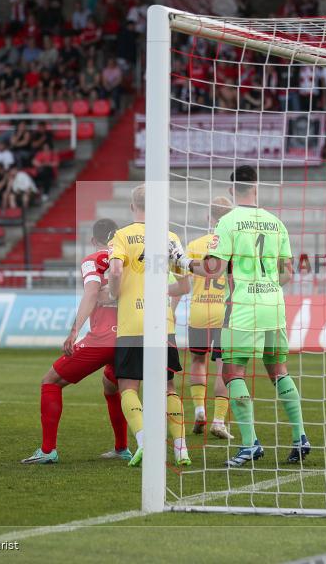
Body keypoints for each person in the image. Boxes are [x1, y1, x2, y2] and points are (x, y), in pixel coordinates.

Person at [187, 165, 309, 466]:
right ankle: (300, 437)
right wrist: (266, 285)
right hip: (275, 306)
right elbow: (288, 273)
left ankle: (250, 444)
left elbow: (213, 268)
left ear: (232, 190)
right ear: (256, 186)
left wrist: (185, 265)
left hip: (242, 307)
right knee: (278, 369)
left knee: (231, 372)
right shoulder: (275, 222)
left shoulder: (227, 222)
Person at [22, 219, 130, 464]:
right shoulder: (129, 256)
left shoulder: (93, 259)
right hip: (131, 336)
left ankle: (48, 451)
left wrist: (74, 331)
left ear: (94, 240)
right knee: (112, 386)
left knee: (50, 381)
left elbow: (92, 292)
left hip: (103, 337)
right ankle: (122, 448)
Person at [108, 184, 192, 467]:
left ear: (133, 207)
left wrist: (114, 291)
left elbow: (116, 270)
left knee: (128, 386)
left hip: (132, 322)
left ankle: (144, 442)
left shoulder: (120, 236)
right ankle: (181, 449)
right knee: (168, 386)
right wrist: (162, 294)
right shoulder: (169, 237)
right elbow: (185, 284)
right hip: (162, 322)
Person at [184, 196, 235, 440]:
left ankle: (199, 409)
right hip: (224, 311)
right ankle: (218, 420)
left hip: (198, 311)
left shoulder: (194, 244)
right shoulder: (232, 244)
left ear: (209, 217)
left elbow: (181, 281)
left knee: (197, 361)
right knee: (223, 365)